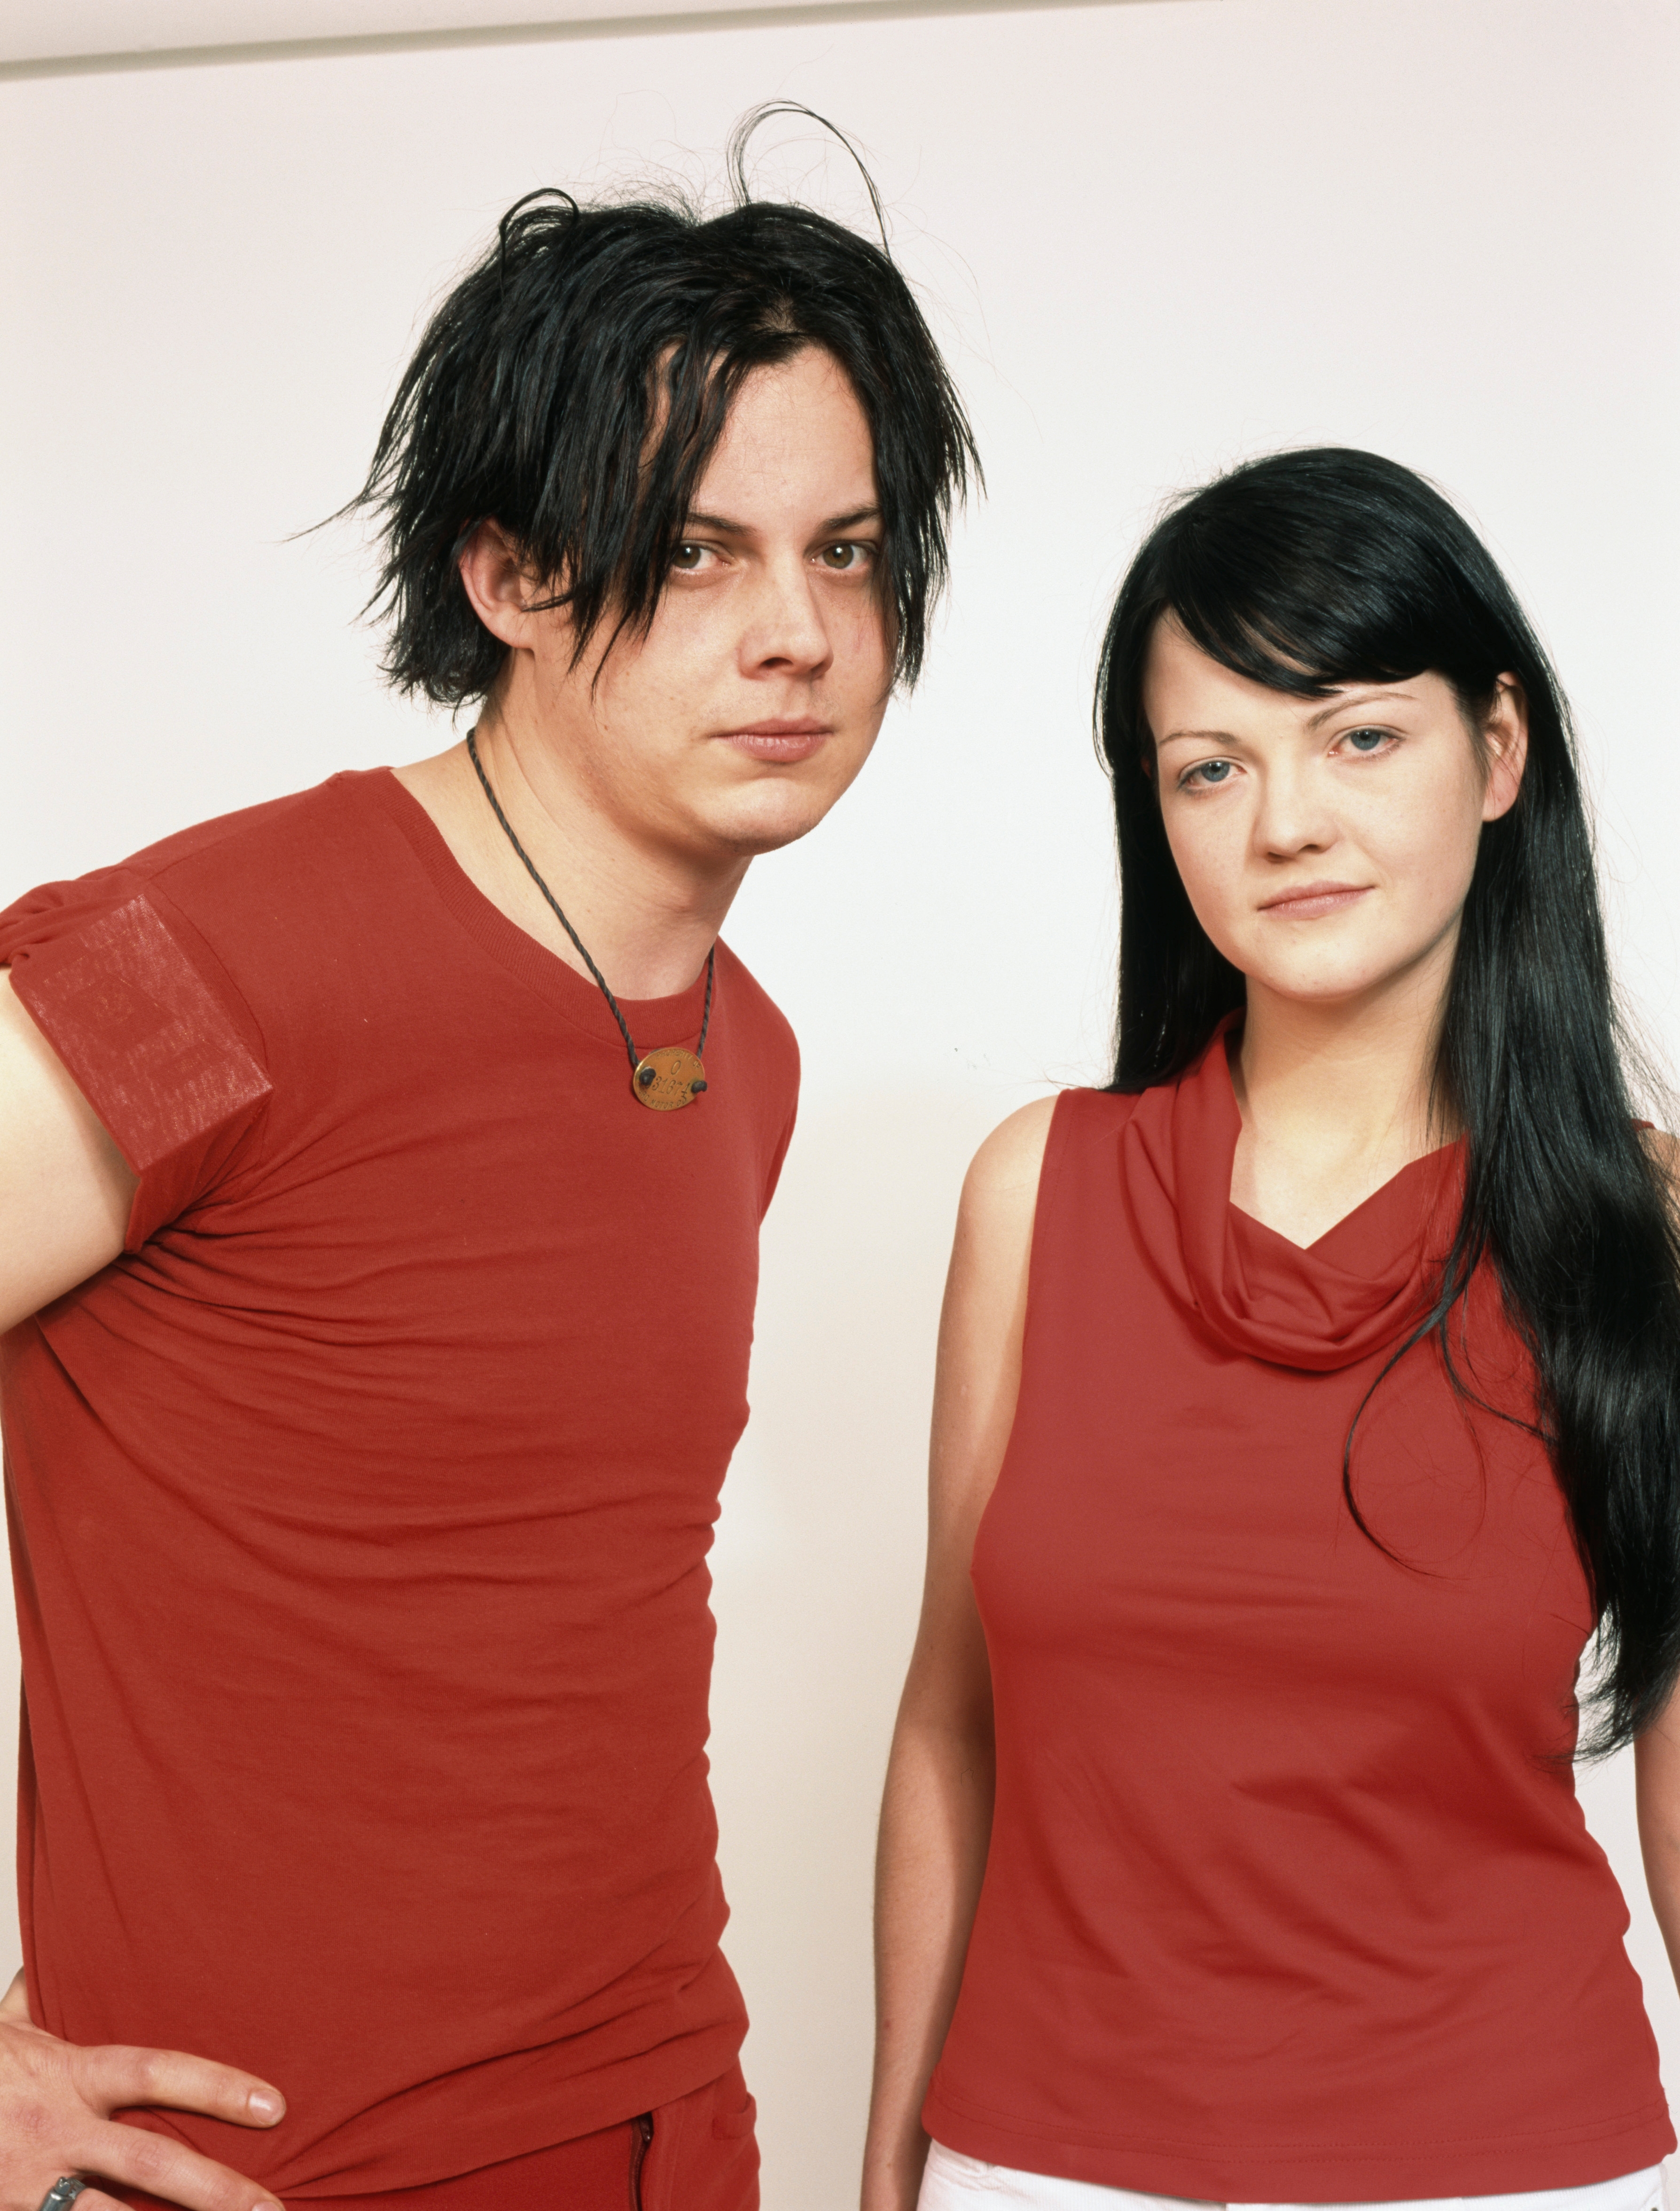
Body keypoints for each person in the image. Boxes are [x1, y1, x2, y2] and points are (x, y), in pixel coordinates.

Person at [0, 117, 977, 2211]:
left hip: (661, 2135)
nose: (796, 630)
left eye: (846, 550)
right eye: (698, 549)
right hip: (268, 2171)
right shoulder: (207, 964)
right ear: (512, 574)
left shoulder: (750, 1054)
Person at [863, 448, 1680, 2211]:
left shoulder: (1652, 1228)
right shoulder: (1040, 1191)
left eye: (1361, 736)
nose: (1286, 821)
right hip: (1043, 2167)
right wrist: (893, 2168)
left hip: (1513, 2169)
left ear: (1503, 751)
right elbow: (951, 1724)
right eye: (1211, 767)